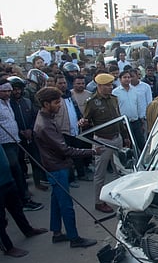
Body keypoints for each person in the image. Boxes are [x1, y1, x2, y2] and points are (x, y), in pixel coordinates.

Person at [34, 87, 100, 248]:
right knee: (66, 205)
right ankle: (74, 238)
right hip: (57, 168)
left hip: (54, 165)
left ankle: (56, 232)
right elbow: (65, 149)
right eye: (56, 103)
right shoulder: (45, 125)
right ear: (45, 103)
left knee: (56, 200)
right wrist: (92, 151)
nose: (59, 106)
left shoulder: (46, 118)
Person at [81, 73, 130, 213]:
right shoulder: (91, 102)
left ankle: (118, 197)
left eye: (111, 84)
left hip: (117, 138)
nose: (110, 87)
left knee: (119, 171)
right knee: (100, 173)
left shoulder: (114, 99)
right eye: (107, 85)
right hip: (102, 140)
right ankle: (98, 202)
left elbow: (118, 118)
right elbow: (86, 122)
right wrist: (83, 123)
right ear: (99, 86)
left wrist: (125, 136)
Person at [0, 80, 43, 211]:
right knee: (16, 170)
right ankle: (23, 200)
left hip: (15, 141)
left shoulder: (8, 103)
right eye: (4, 91)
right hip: (5, 143)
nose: (8, 93)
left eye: (9, 91)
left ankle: (23, 198)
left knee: (18, 169)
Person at [0, 145, 48, 257]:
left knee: (17, 209)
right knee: (0, 219)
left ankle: (27, 230)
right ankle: (8, 247)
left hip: (7, 179)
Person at [7, 76, 48, 191]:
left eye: (19, 89)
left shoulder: (28, 102)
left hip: (31, 136)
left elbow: (34, 117)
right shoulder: (8, 105)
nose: (17, 92)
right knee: (19, 164)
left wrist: (30, 129)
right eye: (14, 89)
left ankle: (38, 182)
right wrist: (20, 131)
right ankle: (24, 189)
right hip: (17, 138)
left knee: (36, 159)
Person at [112, 71, 145, 151]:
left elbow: (139, 105)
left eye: (128, 77)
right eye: (124, 77)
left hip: (136, 122)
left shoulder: (135, 90)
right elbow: (115, 108)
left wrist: (142, 119)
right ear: (120, 79)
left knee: (141, 143)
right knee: (128, 146)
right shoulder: (115, 92)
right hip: (124, 124)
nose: (127, 79)